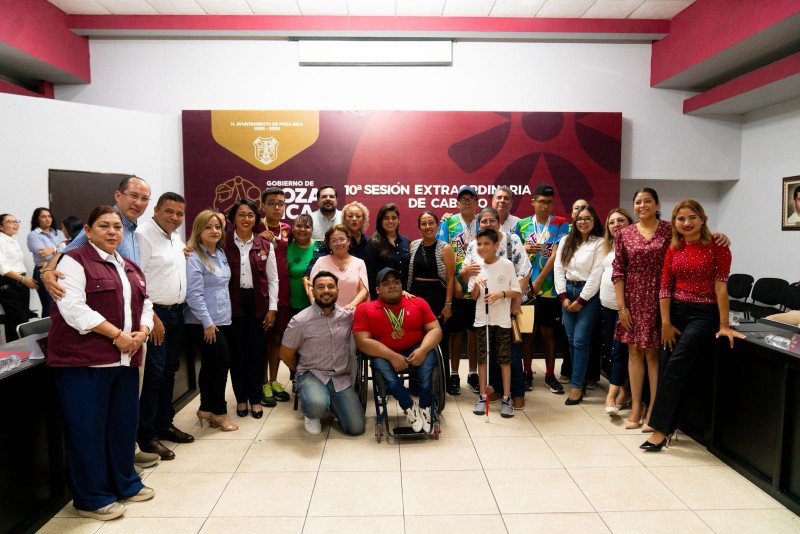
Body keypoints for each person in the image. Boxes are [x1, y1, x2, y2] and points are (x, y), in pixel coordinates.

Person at [39, 176, 161, 470]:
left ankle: (126, 455)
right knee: (98, 418)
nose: (138, 203)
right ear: (118, 195)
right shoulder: (105, 225)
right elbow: (67, 255)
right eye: (133, 195)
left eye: (144, 198)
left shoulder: (131, 231)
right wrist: (47, 271)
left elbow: (136, 287)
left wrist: (145, 325)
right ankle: (116, 463)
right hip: (100, 343)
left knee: (126, 408)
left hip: (133, 334)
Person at [47, 205, 155, 521]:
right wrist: (117, 335)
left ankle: (125, 483)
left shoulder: (129, 266)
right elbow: (73, 308)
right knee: (87, 431)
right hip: (85, 363)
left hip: (124, 361)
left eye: (117, 227)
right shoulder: (74, 261)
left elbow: (146, 304)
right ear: (88, 231)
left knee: (122, 427)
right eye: (104, 226)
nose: (112, 232)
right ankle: (91, 498)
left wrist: (143, 331)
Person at [641, 200, 745, 451]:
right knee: (667, 367)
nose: (686, 223)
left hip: (703, 315)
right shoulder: (674, 247)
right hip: (675, 313)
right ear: (674, 222)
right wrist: (666, 323)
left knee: (675, 367)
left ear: (702, 219)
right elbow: (665, 287)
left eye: (692, 217)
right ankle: (670, 424)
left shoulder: (718, 246)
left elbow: (721, 288)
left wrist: (724, 324)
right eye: (681, 218)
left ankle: (660, 430)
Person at [135, 193, 194, 461]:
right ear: (156, 210)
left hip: (176, 313)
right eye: (169, 211)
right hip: (156, 315)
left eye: (179, 213)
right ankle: (147, 436)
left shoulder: (174, 237)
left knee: (169, 371)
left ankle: (164, 424)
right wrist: (152, 317)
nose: (174, 217)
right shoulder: (143, 236)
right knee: (154, 376)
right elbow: (137, 281)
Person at [353, 267, 443, 433]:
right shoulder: (365, 309)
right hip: (383, 352)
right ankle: (408, 406)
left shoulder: (418, 302)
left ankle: (425, 405)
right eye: (386, 283)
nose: (392, 285)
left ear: (402, 286)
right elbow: (362, 342)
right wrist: (392, 356)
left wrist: (423, 349)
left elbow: (435, 329)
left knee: (429, 363)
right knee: (387, 374)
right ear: (378, 289)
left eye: (396, 282)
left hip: (416, 347)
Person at [280, 271, 366, 436]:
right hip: (312, 374)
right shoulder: (300, 320)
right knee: (316, 405)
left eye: (330, 286)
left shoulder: (348, 316)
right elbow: (285, 353)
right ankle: (313, 411)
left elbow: (373, 311)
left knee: (356, 428)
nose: (326, 290)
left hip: (340, 378)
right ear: (313, 291)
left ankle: (329, 401)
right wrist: (300, 370)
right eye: (320, 287)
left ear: (337, 291)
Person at [612, 188, 670, 430]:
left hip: (661, 296)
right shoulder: (624, 234)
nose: (642, 205)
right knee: (634, 352)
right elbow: (618, 271)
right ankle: (636, 406)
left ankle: (654, 408)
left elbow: (694, 240)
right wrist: (622, 307)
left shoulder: (669, 229)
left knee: (654, 354)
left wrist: (719, 236)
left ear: (657, 205)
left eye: (648, 201)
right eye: (638, 202)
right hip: (633, 297)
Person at [462, 207, 531, 408]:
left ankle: (516, 392)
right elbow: (466, 275)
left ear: (499, 222)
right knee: (489, 352)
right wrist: (466, 273)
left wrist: (515, 301)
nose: (488, 224)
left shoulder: (511, 240)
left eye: (492, 220)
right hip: (484, 309)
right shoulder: (473, 245)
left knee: (510, 352)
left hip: (507, 305)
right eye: (484, 221)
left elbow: (524, 271)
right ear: (479, 225)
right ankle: (498, 390)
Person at [185, 209, 238, 432]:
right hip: (203, 323)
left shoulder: (220, 253)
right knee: (221, 365)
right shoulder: (194, 257)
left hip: (221, 319)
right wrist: (207, 323)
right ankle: (219, 412)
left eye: (217, 227)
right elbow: (193, 295)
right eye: (208, 227)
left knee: (210, 365)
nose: (214, 231)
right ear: (199, 230)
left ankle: (205, 408)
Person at [224, 199, 277, 417]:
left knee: (257, 353)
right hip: (232, 303)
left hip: (258, 304)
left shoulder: (265, 244)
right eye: (241, 214)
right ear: (233, 218)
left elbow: (273, 279)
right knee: (237, 354)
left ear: (256, 219)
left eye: (250, 215)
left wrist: (272, 308)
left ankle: (255, 398)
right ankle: (241, 399)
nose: (246, 219)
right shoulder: (223, 242)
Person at [516, 183, 570, 394]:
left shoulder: (561, 223)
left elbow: (556, 254)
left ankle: (549, 374)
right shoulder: (521, 225)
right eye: (542, 202)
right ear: (533, 202)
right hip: (525, 288)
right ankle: (527, 372)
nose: (546, 206)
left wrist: (538, 281)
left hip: (549, 288)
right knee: (528, 332)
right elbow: (515, 252)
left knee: (549, 332)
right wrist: (525, 248)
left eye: (549, 202)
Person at [554, 206, 604, 405]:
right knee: (571, 341)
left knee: (581, 340)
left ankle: (576, 388)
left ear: (594, 221)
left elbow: (596, 274)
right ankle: (579, 380)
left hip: (588, 296)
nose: (583, 222)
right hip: (567, 291)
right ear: (574, 221)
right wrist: (563, 297)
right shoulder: (566, 240)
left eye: (588, 218)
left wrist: (580, 301)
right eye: (580, 219)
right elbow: (558, 269)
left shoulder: (600, 242)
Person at [469, 229, 521, 418]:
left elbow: (516, 291)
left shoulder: (506, 265)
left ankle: (507, 398)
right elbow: (473, 296)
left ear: (496, 245)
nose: (482, 247)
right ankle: (482, 397)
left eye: (486, 243)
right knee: (482, 359)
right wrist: (477, 284)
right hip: (482, 320)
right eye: (479, 244)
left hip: (502, 321)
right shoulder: (476, 267)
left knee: (504, 360)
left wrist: (501, 294)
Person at [436, 185, 479, 394]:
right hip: (457, 287)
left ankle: (473, 373)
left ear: (476, 202)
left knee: (474, 332)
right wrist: (453, 285)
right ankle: (454, 374)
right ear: (457, 203)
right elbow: (442, 255)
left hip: (479, 287)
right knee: (456, 333)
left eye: (471, 199)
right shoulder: (448, 222)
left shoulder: (483, 221)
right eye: (463, 199)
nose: (467, 202)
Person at [258, 187, 292, 406]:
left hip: (284, 293)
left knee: (278, 339)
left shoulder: (287, 229)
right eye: (272, 203)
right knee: (263, 340)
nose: (277, 207)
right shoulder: (255, 227)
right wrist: (257, 237)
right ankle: (262, 383)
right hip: (263, 293)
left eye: (280, 203)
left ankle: (273, 380)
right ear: (263, 205)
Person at [600, 208, 634, 415]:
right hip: (606, 305)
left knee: (619, 350)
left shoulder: (636, 244)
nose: (616, 225)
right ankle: (624, 390)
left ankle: (613, 396)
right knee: (610, 350)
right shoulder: (608, 245)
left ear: (630, 222)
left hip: (626, 307)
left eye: (621, 220)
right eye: (611, 222)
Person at [407, 210, 455, 329]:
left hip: (437, 297)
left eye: (431, 223)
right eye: (424, 224)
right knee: (417, 332)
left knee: (437, 333)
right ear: (419, 227)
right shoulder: (413, 245)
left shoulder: (445, 248)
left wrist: (448, 305)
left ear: (437, 225)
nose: (428, 226)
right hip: (415, 297)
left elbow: (450, 279)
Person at [308, 224, 369, 310]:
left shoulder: (359, 263)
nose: (339, 243)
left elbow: (364, 290)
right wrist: (315, 306)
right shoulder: (320, 262)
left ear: (348, 241)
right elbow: (311, 287)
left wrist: (352, 305)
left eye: (342, 239)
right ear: (329, 244)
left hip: (351, 312)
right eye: (334, 240)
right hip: (325, 312)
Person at [0, 213, 38, 341]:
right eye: (11, 222)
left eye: (16, 221)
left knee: (21, 319)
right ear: (1, 226)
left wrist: (24, 279)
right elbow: (3, 268)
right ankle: (16, 350)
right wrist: (23, 279)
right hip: (9, 283)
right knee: (18, 320)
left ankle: (16, 350)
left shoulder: (13, 240)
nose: (15, 224)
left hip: (20, 281)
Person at [366, 203, 411, 299]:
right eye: (386, 218)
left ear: (399, 220)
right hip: (383, 297)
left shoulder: (406, 241)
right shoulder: (372, 243)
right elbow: (370, 274)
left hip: (405, 295)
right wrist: (375, 298)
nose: (390, 221)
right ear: (380, 220)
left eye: (394, 218)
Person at [26, 207, 65, 317]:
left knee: (61, 304)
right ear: (37, 219)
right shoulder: (33, 235)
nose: (47, 219)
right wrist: (59, 248)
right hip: (43, 271)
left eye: (49, 216)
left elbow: (68, 248)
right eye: (43, 217)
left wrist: (52, 249)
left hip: (60, 270)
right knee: (49, 306)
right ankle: (48, 328)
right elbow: (44, 254)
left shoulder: (59, 233)